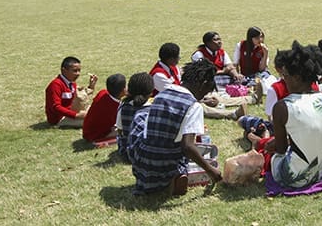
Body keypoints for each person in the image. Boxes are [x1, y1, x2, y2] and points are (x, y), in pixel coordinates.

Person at [128, 59, 222, 196]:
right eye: (206, 91)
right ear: (203, 85)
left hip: (142, 164)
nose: (203, 96)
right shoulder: (193, 106)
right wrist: (210, 170)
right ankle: (175, 178)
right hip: (164, 164)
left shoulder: (161, 94)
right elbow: (187, 147)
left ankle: (161, 182)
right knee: (188, 156)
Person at [266, 41, 322, 188]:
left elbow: (281, 149)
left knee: (274, 158)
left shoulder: (283, 107)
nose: (284, 80)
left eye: (285, 75)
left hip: (295, 178)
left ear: (297, 77)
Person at [45, 56, 98, 127]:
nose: (78, 73)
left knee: (98, 110)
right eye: (75, 71)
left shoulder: (71, 83)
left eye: (79, 70)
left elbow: (78, 99)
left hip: (72, 112)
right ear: (64, 70)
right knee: (93, 121)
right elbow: (56, 107)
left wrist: (91, 86)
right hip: (60, 118)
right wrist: (76, 115)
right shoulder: (55, 85)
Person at [116, 72, 154, 162]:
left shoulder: (123, 106)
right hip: (147, 153)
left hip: (127, 151)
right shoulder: (154, 108)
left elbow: (120, 130)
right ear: (150, 92)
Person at [82, 73, 127, 142]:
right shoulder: (116, 108)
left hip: (87, 130)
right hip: (96, 135)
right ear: (123, 90)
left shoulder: (102, 93)